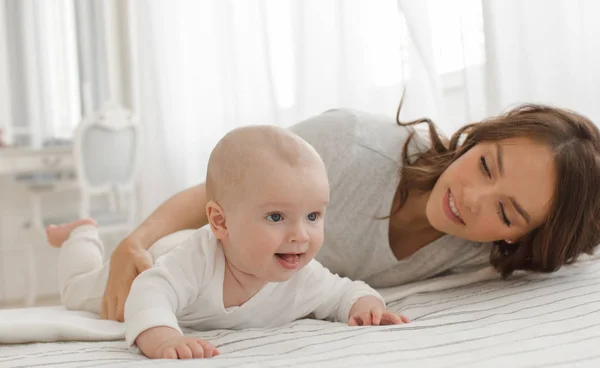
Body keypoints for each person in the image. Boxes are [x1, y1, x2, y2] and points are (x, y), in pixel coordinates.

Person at [100, 102, 600, 322]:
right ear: (480, 137)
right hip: (195, 262)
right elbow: (218, 196)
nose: (472, 198)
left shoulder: (483, 255)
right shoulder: (351, 145)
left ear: (521, 238)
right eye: (487, 165)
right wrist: (135, 241)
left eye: (507, 213)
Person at [47, 125, 407, 360]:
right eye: (276, 217)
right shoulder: (196, 260)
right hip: (150, 262)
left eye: (313, 216)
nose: (300, 235)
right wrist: (164, 338)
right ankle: (82, 234)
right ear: (220, 221)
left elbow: (345, 292)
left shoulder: (303, 275)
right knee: (78, 292)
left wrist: (367, 307)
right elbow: (150, 292)